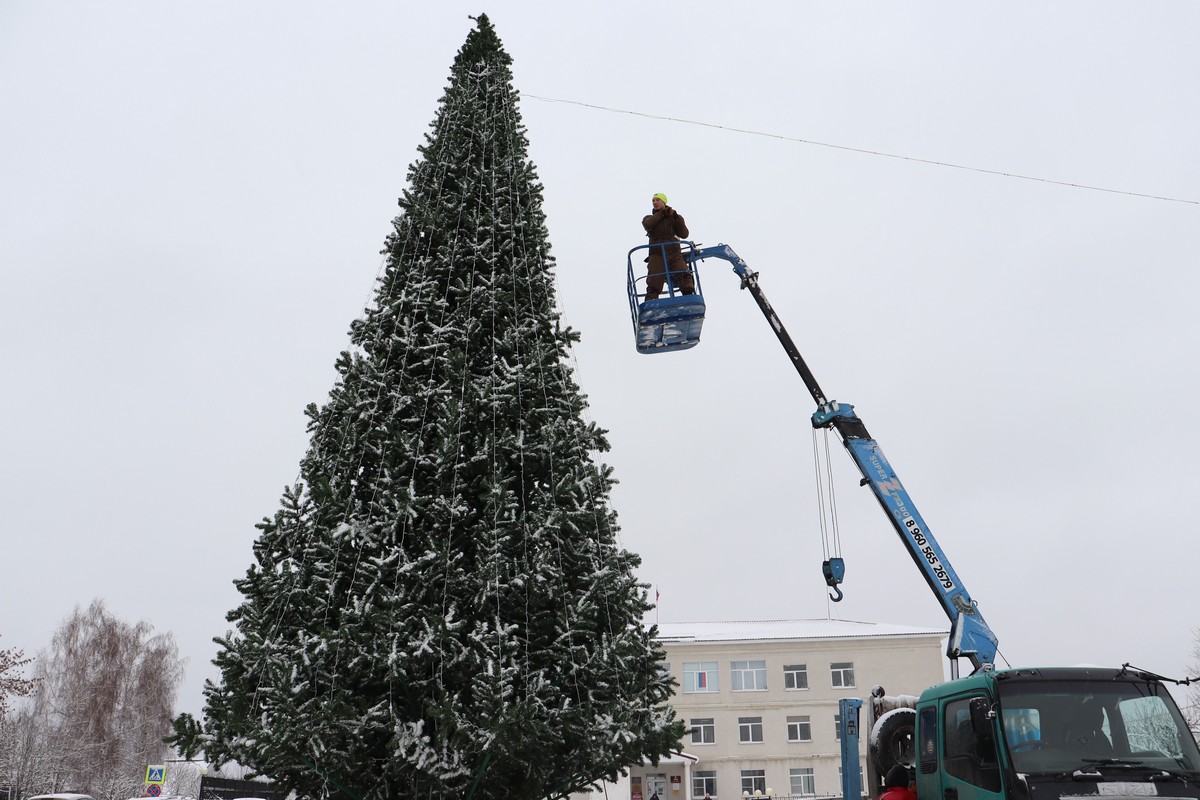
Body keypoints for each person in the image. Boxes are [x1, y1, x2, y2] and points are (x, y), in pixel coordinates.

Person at [641, 192, 693, 301]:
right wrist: (662, 214)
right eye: (653, 200)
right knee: (654, 279)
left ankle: (689, 296)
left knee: (683, 272)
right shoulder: (649, 218)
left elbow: (684, 234)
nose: (655, 202)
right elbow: (648, 224)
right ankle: (651, 301)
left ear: (664, 202)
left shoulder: (674, 217)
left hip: (674, 252)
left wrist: (676, 218)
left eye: (657, 200)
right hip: (657, 253)